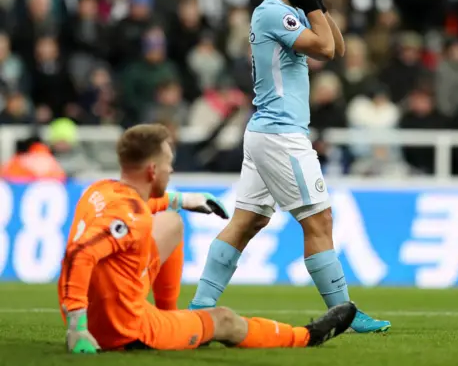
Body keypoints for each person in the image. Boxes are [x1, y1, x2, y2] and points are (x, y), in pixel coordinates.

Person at [189, 0, 390, 334]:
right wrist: (311, 5)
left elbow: (340, 45)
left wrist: (313, 2)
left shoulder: (291, 10)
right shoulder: (272, 14)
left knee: (246, 223)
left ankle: (199, 307)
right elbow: (327, 51)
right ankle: (345, 314)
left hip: (267, 132)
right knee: (320, 219)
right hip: (282, 135)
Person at [58, 123, 356, 353]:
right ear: (152, 170)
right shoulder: (129, 218)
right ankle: (305, 337)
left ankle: (168, 314)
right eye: (167, 164)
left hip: (103, 307)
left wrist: (186, 200)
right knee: (224, 320)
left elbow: (139, 205)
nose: (171, 169)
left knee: (171, 223)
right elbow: (79, 255)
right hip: (124, 330)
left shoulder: (101, 190)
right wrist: (77, 328)